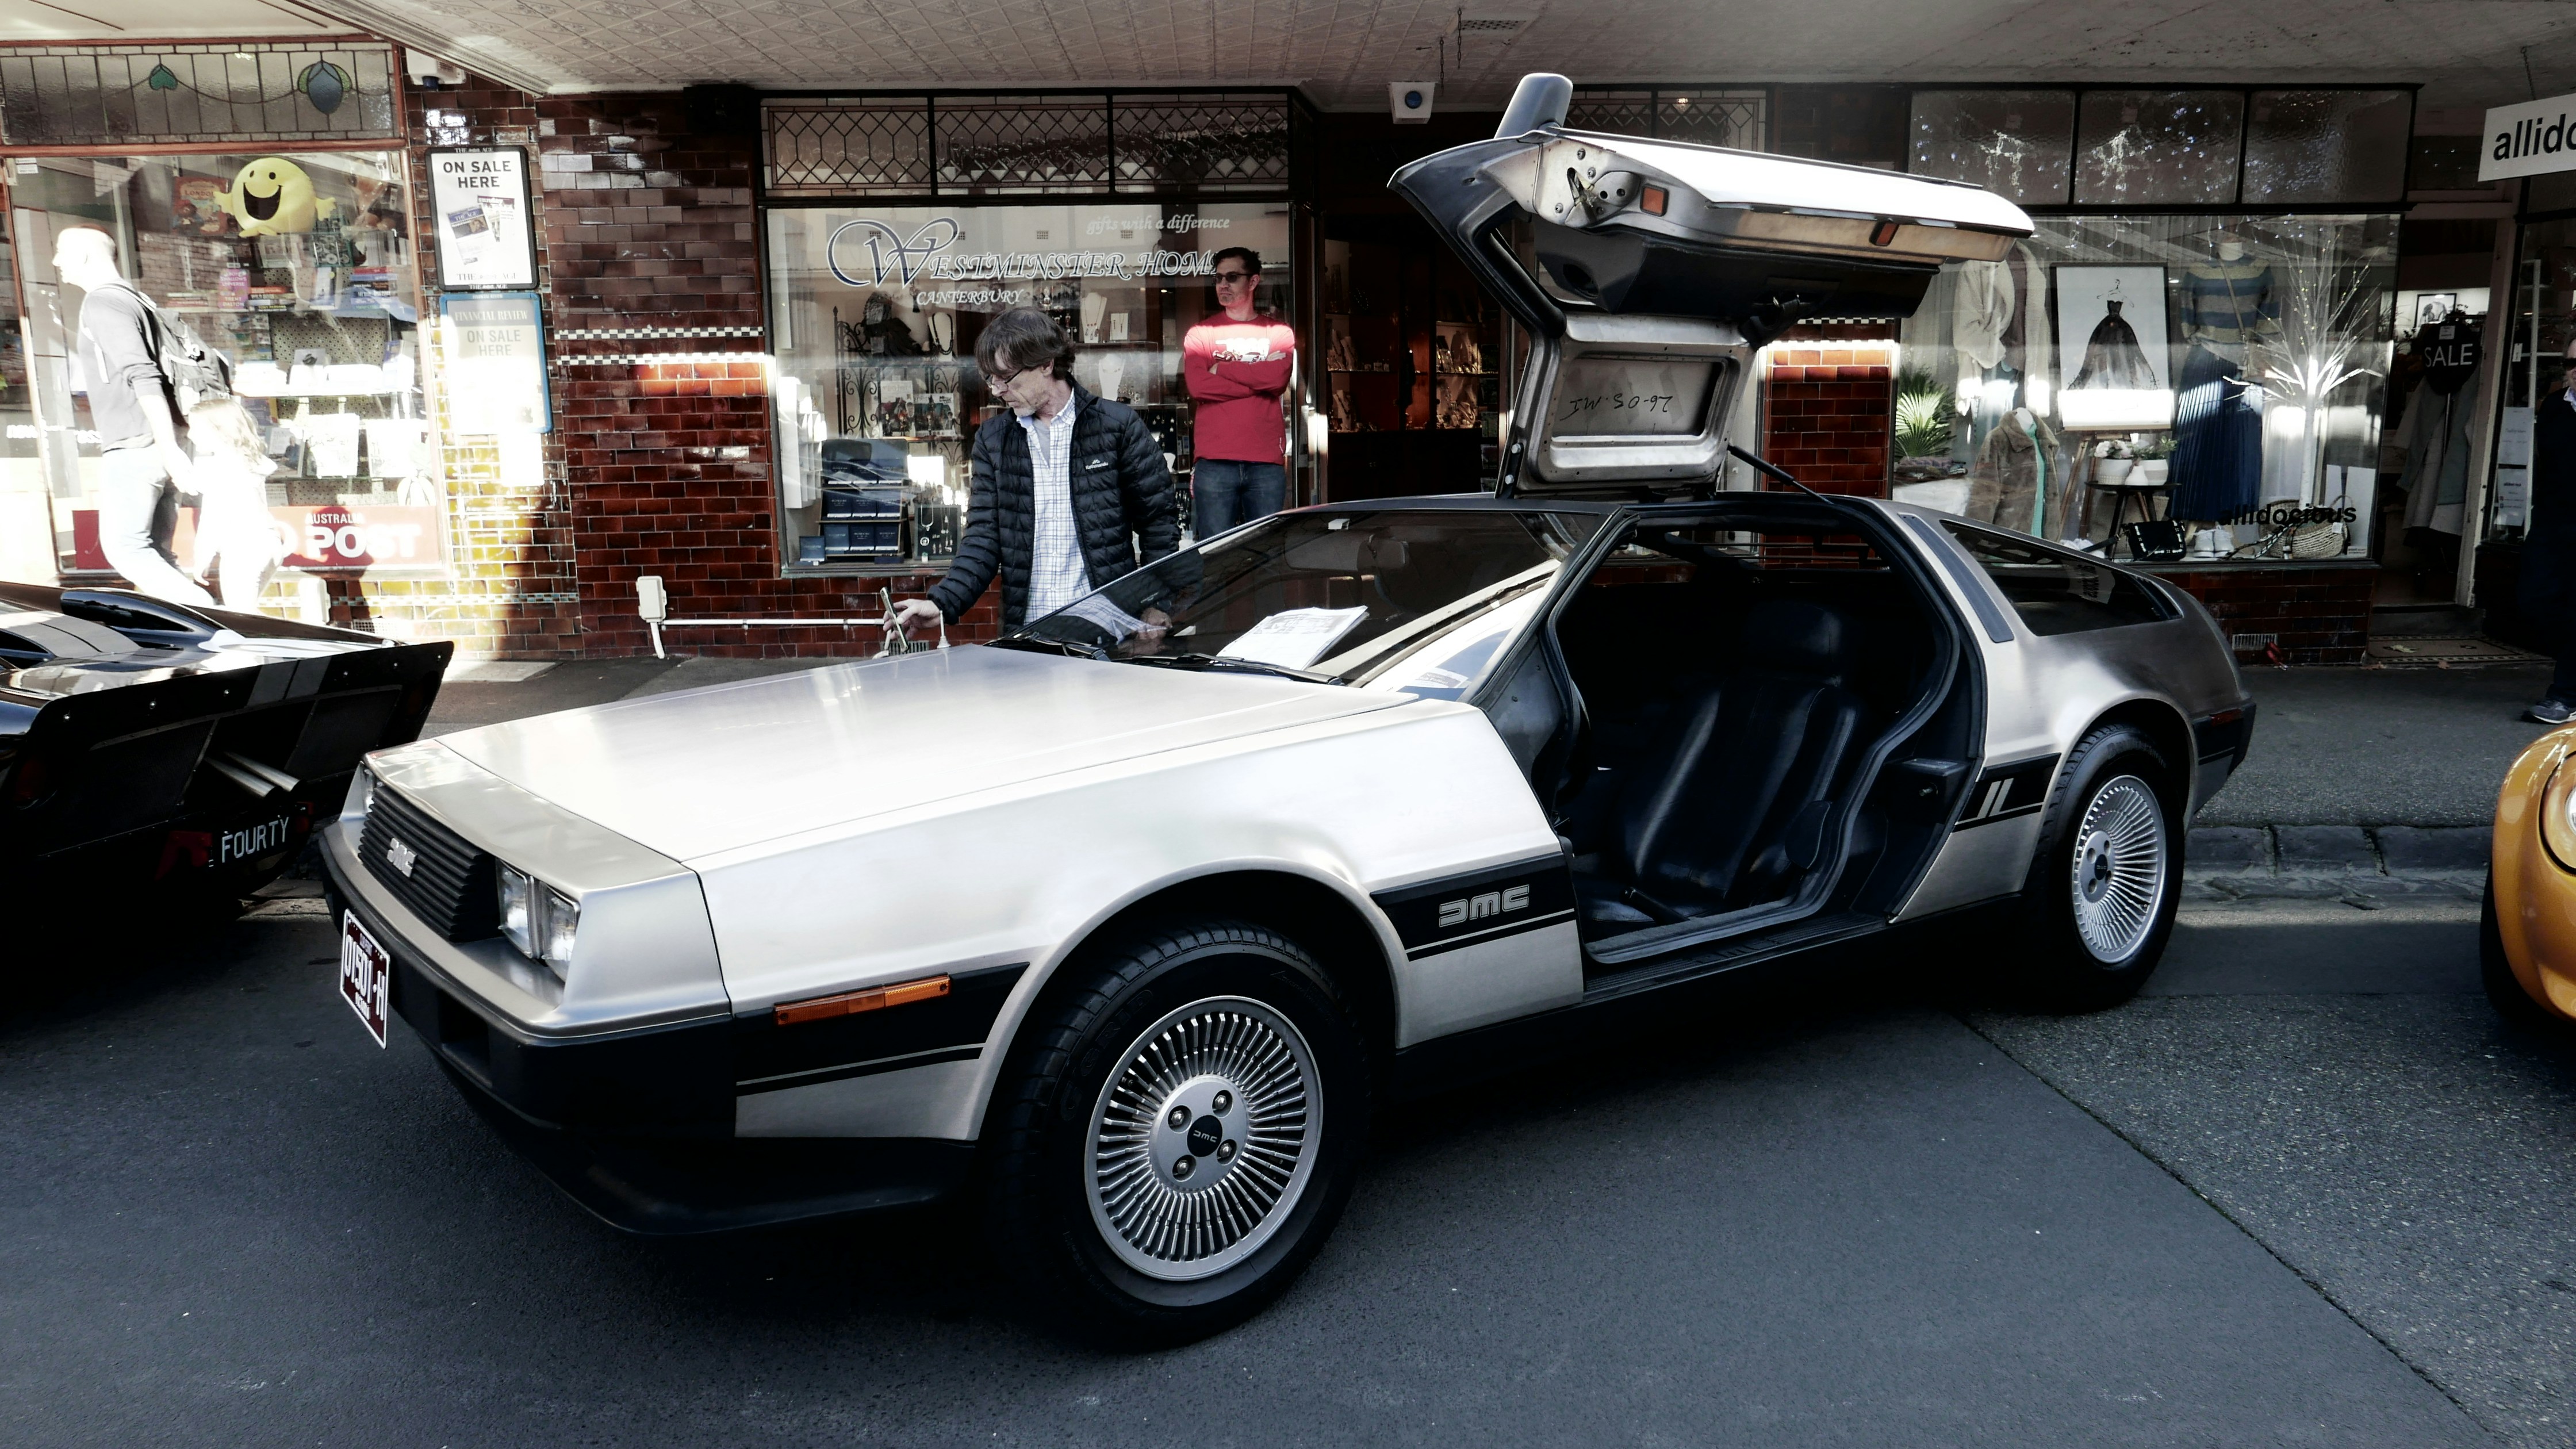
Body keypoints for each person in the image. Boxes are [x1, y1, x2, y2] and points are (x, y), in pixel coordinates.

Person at [893, 307, 1176, 635]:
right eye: (990, 378)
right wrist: (942, 603)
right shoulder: (993, 439)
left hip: (1108, 628)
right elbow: (983, 538)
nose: (997, 390)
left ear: (1046, 363)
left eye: (1007, 377)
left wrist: (1157, 602)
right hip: (1029, 631)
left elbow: (1158, 523)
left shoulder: (1117, 427)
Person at [54, 225, 216, 607]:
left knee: (126, 549)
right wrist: (172, 446)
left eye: (61, 251)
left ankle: (217, 624)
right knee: (155, 554)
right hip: (163, 441)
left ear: (84, 256)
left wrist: (166, 446)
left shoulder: (103, 303)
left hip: (138, 443)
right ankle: (201, 632)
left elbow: (142, 374)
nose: (56, 261)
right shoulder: (137, 300)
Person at [1182, 246, 1297, 536]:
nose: (1223, 285)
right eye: (1218, 278)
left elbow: (1277, 380)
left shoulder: (1279, 333)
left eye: (1232, 277)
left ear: (1253, 281)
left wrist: (1222, 369)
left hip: (1265, 463)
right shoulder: (1200, 334)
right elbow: (1198, 385)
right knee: (1214, 557)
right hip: (1215, 461)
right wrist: (1258, 382)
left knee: (1268, 557)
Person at [185, 397, 289, 609]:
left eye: (195, 428)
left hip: (242, 548)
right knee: (247, 614)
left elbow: (212, 517)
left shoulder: (218, 468)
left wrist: (202, 556)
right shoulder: (249, 459)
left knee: (241, 620)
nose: (190, 435)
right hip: (268, 543)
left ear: (219, 431)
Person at [2524, 339, 2576, 723]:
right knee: (2535, 598)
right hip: (2554, 520)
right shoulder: (2555, 407)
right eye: (2572, 361)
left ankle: (2564, 695)